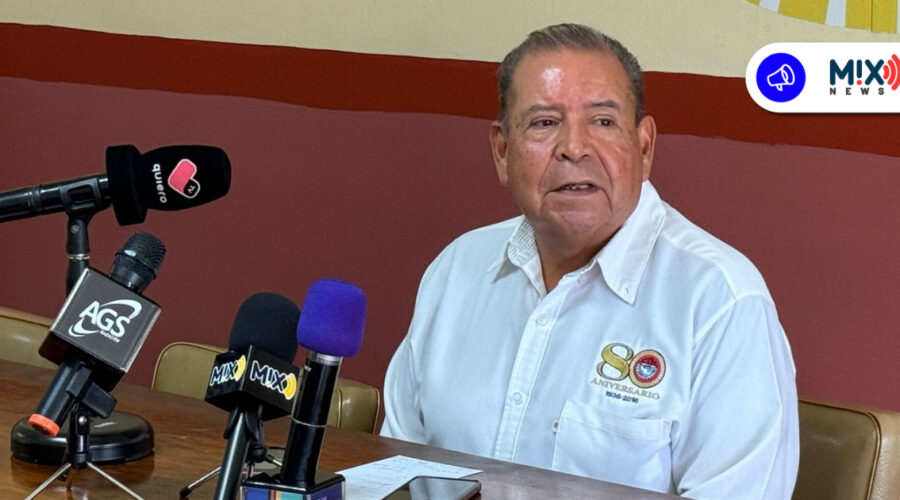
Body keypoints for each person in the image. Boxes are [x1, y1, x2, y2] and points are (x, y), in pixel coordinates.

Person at [381, 23, 798, 499]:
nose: (574, 147)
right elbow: (395, 474)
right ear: (502, 151)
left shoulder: (720, 300)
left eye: (603, 122)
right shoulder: (457, 270)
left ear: (644, 146)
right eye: (544, 123)